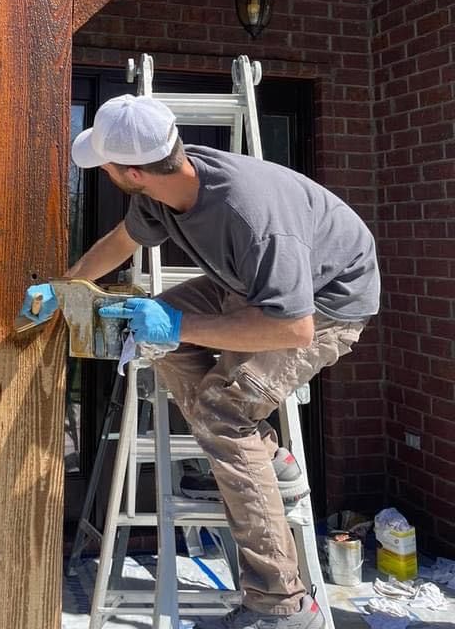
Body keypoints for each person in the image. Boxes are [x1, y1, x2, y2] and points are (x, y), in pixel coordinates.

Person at [22, 94, 380, 629]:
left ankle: (282, 604)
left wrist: (181, 327)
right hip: (253, 289)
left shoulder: (249, 216)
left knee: (220, 413)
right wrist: (67, 285)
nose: (106, 174)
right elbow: (122, 240)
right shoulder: (167, 188)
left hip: (326, 307)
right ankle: (269, 462)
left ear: (132, 172)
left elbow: (294, 327)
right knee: (153, 328)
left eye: (107, 166)